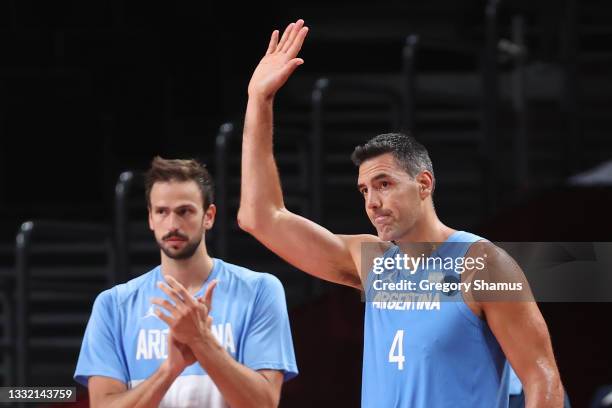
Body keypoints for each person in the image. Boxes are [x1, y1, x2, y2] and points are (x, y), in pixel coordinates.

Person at [238, 19, 564, 407]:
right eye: (364, 190)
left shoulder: (484, 265)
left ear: (424, 184)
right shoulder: (372, 264)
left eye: (384, 184)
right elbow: (260, 217)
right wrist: (259, 101)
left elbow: (543, 381)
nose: (372, 202)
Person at [74, 157, 298, 408]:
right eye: (162, 212)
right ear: (150, 218)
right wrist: (169, 370)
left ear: (208, 216)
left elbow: (264, 404)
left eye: (185, 211)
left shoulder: (260, 290)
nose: (172, 225)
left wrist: (202, 343)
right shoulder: (113, 305)